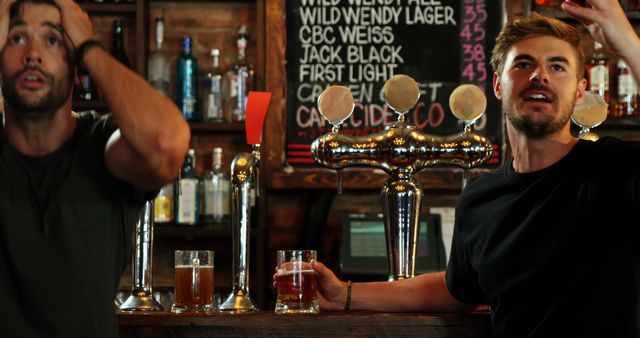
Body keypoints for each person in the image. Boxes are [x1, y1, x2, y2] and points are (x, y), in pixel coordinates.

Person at [276, 1, 640, 337]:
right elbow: (457, 289)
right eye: (523, 64)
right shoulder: (481, 197)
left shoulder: (612, 170)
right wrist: (345, 294)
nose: (539, 76)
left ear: (580, 92)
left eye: (557, 66)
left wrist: (627, 43)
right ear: (498, 85)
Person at [0, 0, 190, 337]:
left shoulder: (101, 146)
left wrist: (89, 46)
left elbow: (165, 142)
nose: (33, 54)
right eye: (16, 38)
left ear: (76, 64)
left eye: (53, 39)